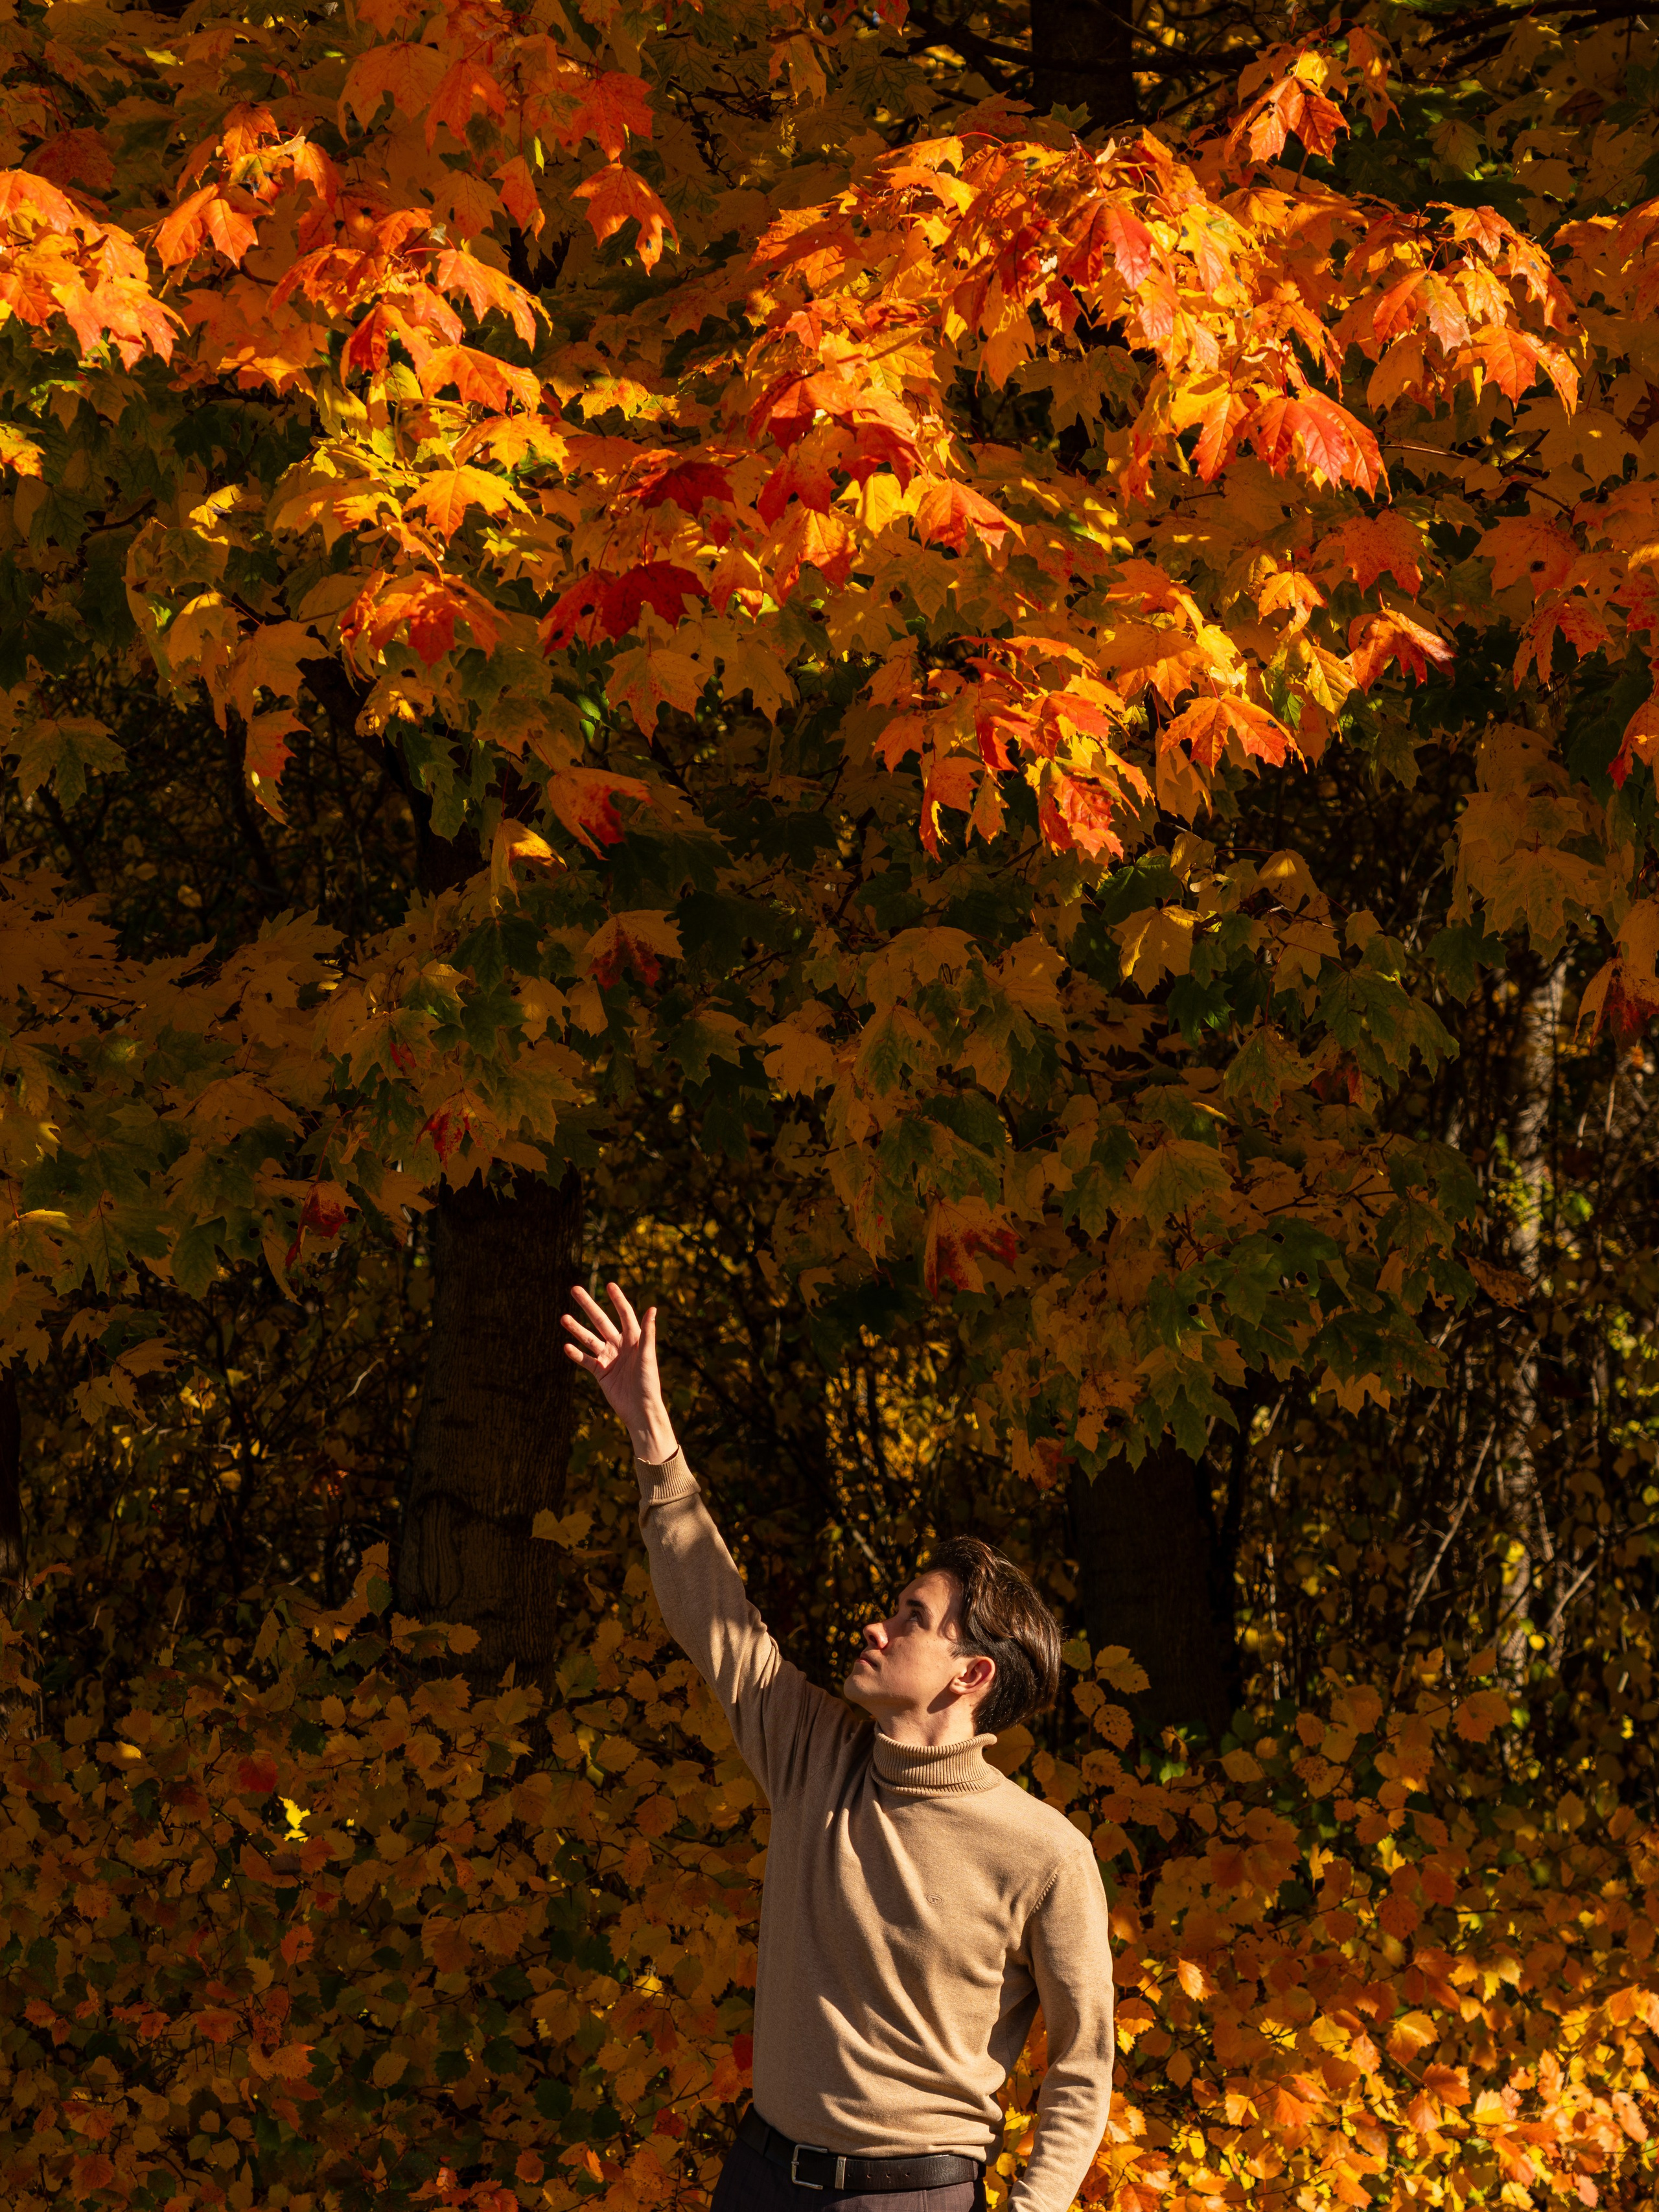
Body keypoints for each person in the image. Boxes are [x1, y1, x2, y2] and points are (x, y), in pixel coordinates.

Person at [560, 1281, 1115, 2212]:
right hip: (761, 2181)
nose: (876, 1624)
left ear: (970, 1675)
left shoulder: (1046, 1854)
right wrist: (650, 1430)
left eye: (912, 1618)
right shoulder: (817, 1752)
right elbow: (719, 1618)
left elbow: (1082, 2068)